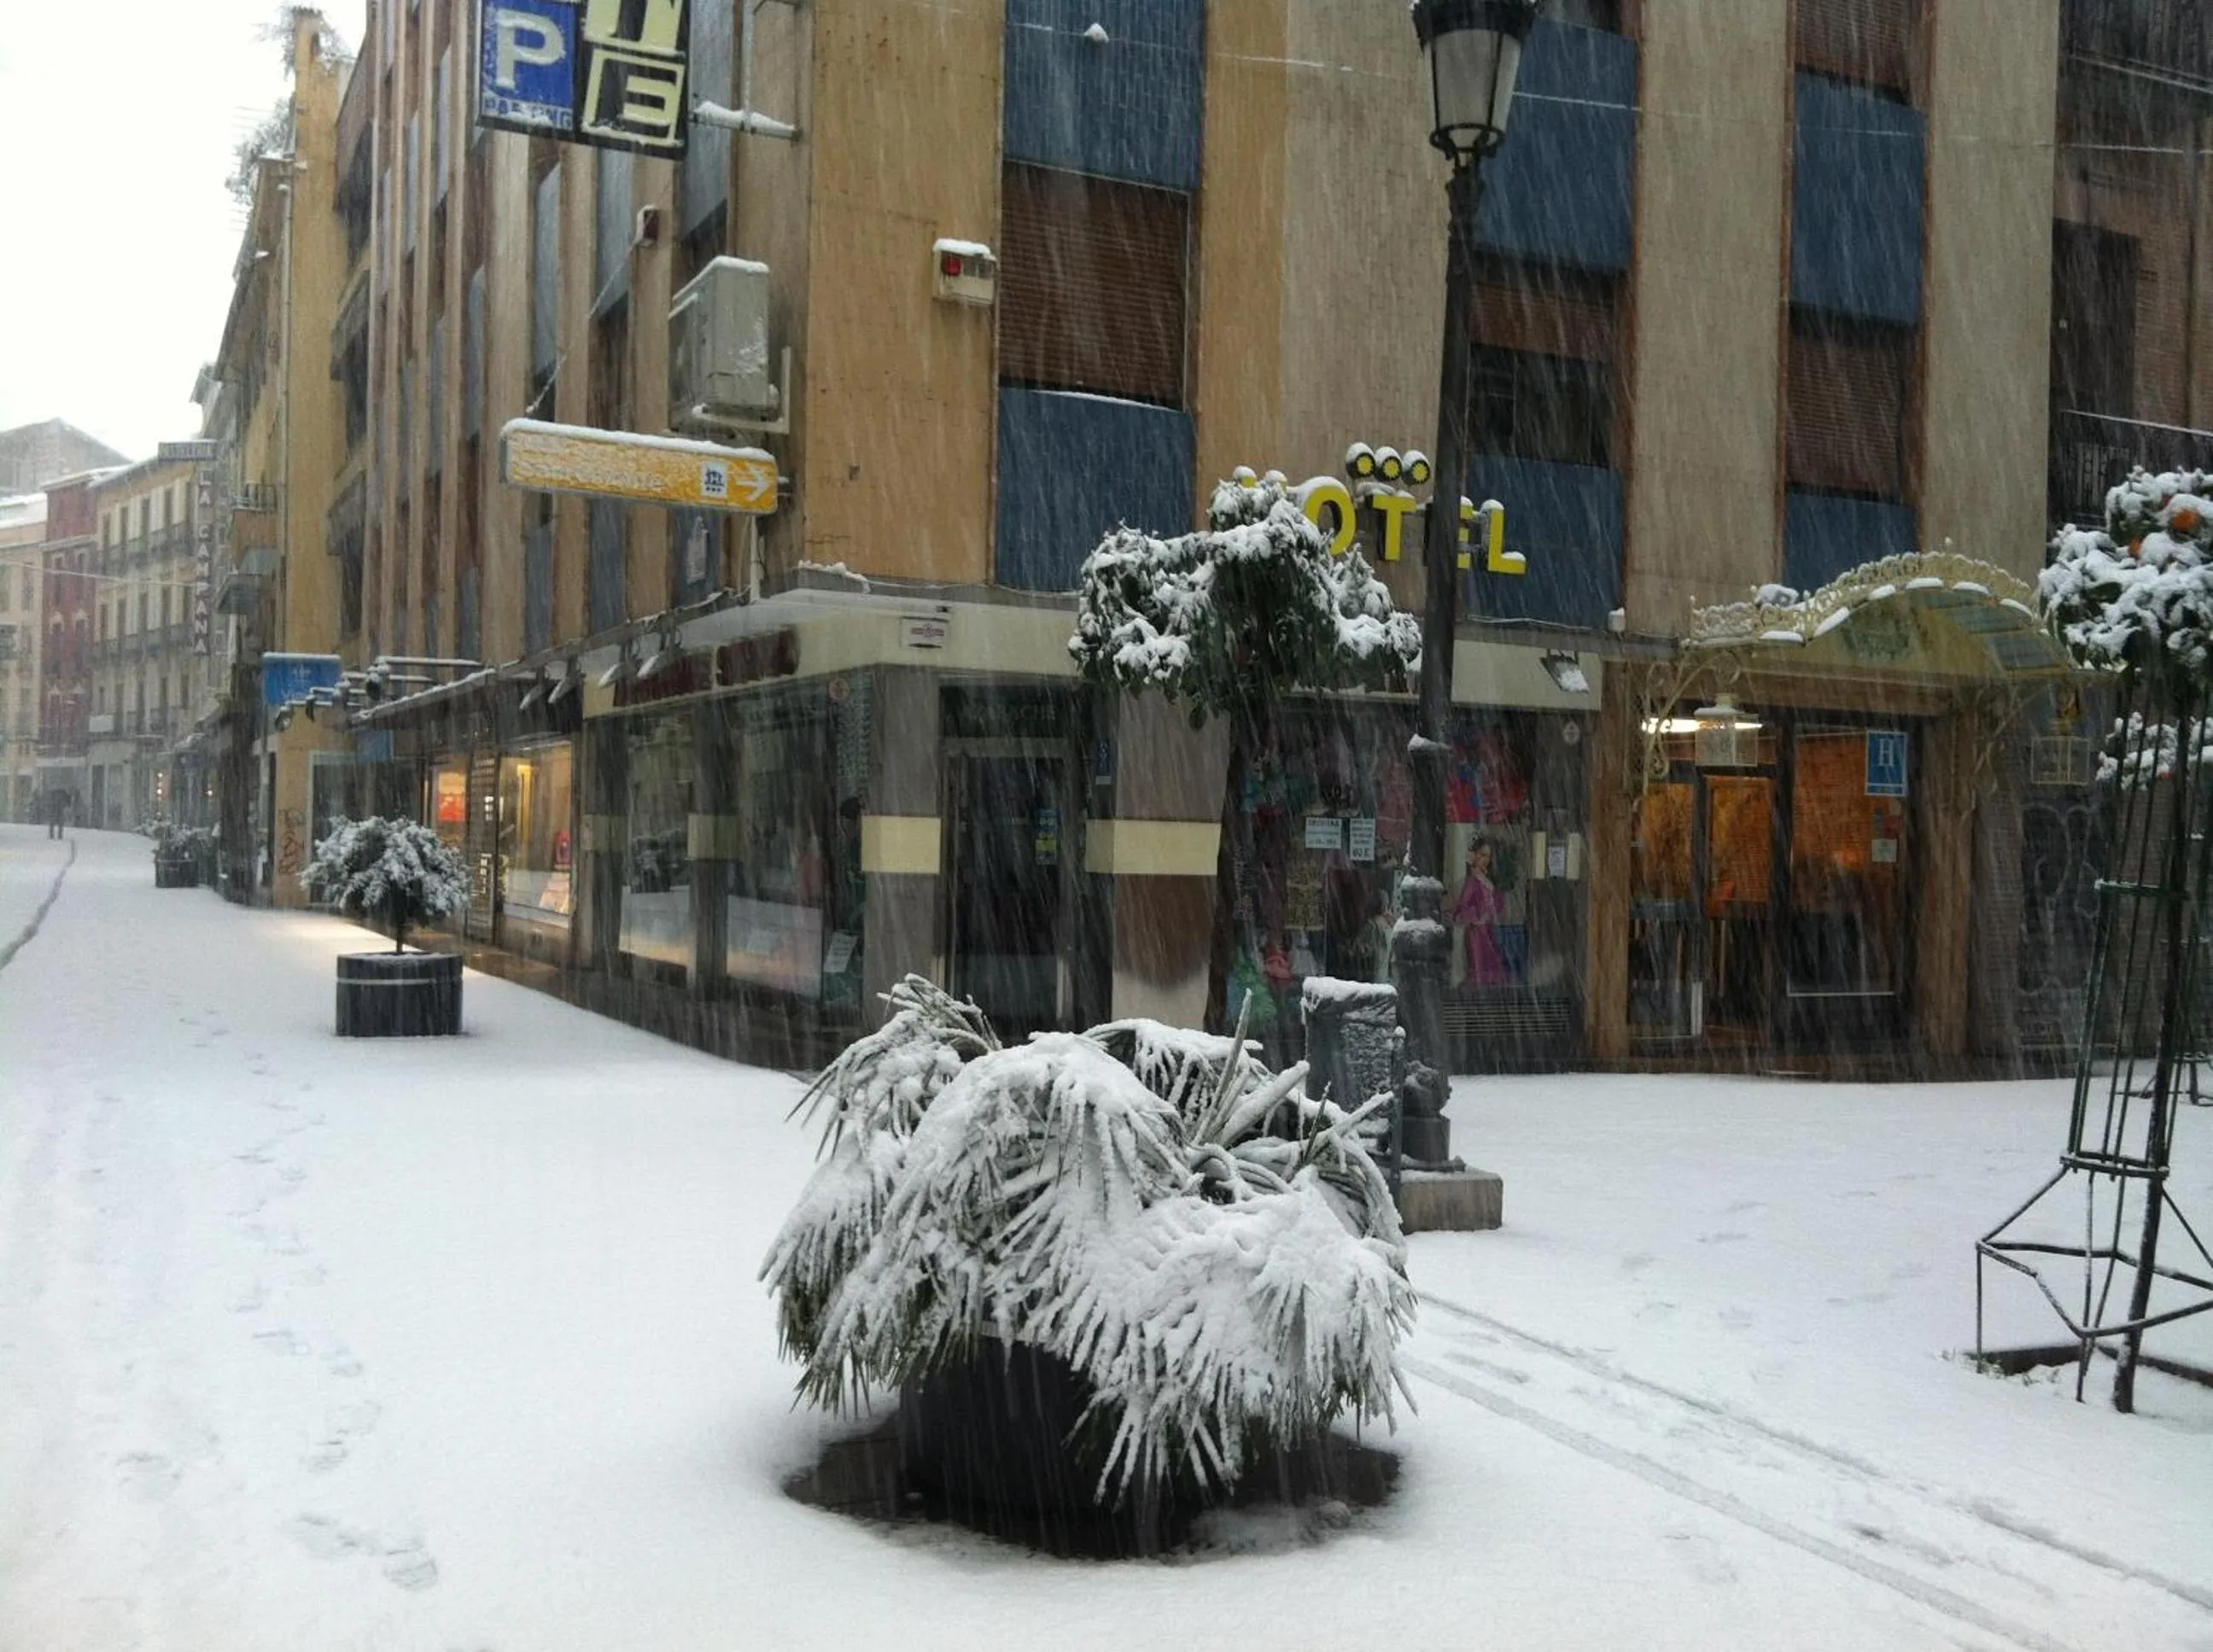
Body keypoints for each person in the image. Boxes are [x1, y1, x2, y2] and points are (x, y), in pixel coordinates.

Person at [1451, 838, 1512, 987]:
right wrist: (1477, 917)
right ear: (1475, 855)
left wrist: (1489, 913)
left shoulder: (1487, 879)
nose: (1485, 859)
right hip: (1476, 932)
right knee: (1479, 966)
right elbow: (1462, 907)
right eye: (1482, 855)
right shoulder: (1472, 880)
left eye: (1488, 856)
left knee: (1489, 965)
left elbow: (1499, 905)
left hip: (1489, 930)